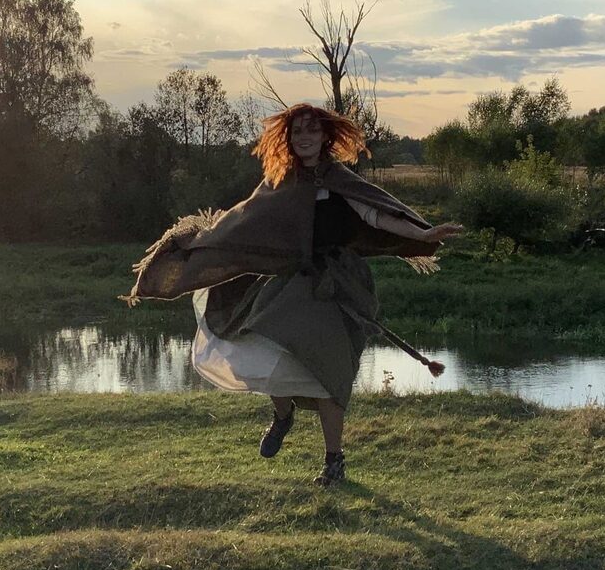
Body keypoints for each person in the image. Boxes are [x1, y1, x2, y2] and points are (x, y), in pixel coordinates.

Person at [123, 104, 463, 485]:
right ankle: (282, 415)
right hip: (288, 282)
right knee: (266, 345)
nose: (304, 138)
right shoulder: (278, 182)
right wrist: (201, 241)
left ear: (324, 137)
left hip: (337, 283)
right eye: (297, 132)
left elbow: (375, 214)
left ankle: (334, 461)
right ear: (289, 138)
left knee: (332, 374)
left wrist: (421, 235)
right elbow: (244, 221)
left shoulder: (340, 178)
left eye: (312, 131)